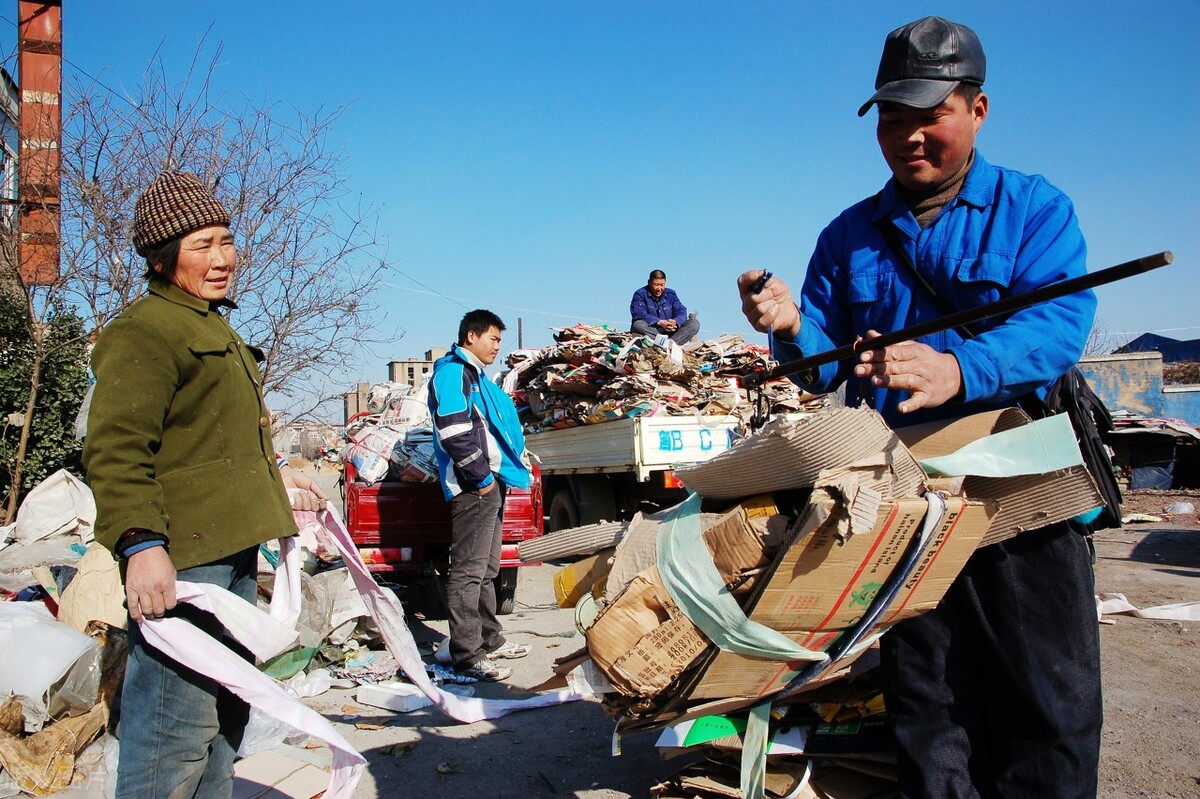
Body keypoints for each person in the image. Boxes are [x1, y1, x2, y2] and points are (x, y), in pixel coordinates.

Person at [738, 16, 1101, 798]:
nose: (909, 137)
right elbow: (818, 373)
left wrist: (959, 368)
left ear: (978, 109)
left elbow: (1059, 325)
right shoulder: (847, 237)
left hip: (1021, 499)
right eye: (893, 120)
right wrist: (794, 328)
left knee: (1048, 705)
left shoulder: (1036, 210)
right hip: (908, 507)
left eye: (929, 114)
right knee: (927, 704)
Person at [83, 171, 327, 799]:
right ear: (164, 261)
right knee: (172, 727)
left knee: (224, 720)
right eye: (201, 247)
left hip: (233, 552)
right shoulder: (145, 330)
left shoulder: (210, 325)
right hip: (185, 558)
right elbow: (116, 452)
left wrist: (283, 477)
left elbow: (211, 445)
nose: (221, 259)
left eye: (225, 241)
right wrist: (140, 544)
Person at [428, 309, 533, 681]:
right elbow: (454, 432)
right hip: (473, 487)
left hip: (489, 484)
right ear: (471, 337)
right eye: (493, 339)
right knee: (469, 572)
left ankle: (490, 639)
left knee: (488, 569)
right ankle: (466, 656)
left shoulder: (476, 376)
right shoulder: (453, 372)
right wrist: (480, 478)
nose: (497, 347)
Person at [630, 269, 700, 343]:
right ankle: (664, 342)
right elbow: (638, 314)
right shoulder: (640, 294)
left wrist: (675, 322)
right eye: (656, 285)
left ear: (665, 282)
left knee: (694, 324)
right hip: (652, 331)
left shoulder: (671, 294)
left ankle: (670, 343)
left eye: (662, 285)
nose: (659, 289)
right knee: (638, 325)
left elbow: (681, 310)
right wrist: (659, 322)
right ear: (649, 282)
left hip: (671, 332)